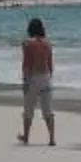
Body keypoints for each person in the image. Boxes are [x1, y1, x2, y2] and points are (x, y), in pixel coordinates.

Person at [19, 17, 56, 146]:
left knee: (28, 109)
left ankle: (26, 137)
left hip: (33, 78)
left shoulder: (27, 43)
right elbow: (50, 65)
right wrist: (49, 77)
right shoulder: (48, 43)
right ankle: (52, 138)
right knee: (48, 110)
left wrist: (25, 80)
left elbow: (26, 63)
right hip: (46, 77)